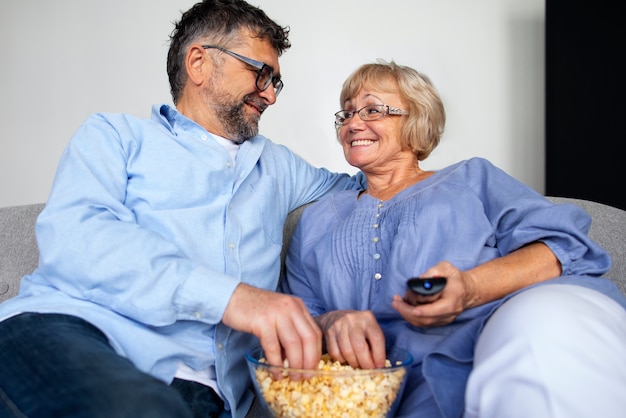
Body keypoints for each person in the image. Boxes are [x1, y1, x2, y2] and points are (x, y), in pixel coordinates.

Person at [0, 1, 362, 417]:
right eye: (260, 73)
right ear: (199, 63)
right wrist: (234, 299)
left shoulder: (279, 166)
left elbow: (372, 184)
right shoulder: (116, 136)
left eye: (275, 82)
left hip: (210, 394)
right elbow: (77, 241)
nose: (269, 95)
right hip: (72, 335)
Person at [280, 60, 626, 418]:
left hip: (496, 343)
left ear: (416, 120)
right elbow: (298, 315)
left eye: (372, 109)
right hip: (381, 390)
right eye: (347, 114)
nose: (353, 123)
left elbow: (562, 247)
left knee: (546, 329)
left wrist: (470, 287)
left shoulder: (471, 179)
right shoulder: (318, 218)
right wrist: (331, 321)